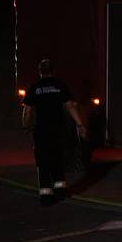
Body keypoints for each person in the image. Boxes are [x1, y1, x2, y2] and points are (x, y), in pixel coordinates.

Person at [22, 59, 86, 206]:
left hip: (41, 132)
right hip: (58, 131)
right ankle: (61, 191)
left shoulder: (35, 87)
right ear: (53, 70)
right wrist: (80, 124)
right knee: (57, 160)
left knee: (43, 162)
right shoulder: (60, 86)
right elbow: (70, 107)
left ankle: (46, 196)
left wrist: (26, 127)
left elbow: (27, 112)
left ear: (40, 71)